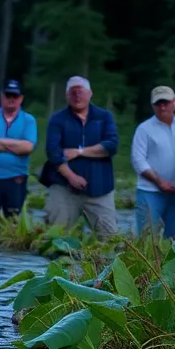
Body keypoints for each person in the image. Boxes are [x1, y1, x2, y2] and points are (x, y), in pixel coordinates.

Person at [43, 76, 119, 238]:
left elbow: (111, 146)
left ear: (90, 93)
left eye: (81, 92)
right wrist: (71, 177)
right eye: (73, 92)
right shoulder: (57, 119)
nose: (77, 96)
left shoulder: (104, 117)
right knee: (55, 238)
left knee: (110, 238)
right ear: (67, 95)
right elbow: (53, 152)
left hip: (100, 188)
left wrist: (79, 151)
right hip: (63, 186)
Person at [129, 86, 175, 238]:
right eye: (158, 103)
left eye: (165, 102)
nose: (162, 106)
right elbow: (138, 160)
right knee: (146, 237)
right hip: (150, 190)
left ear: (174, 102)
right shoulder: (144, 129)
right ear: (153, 106)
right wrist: (159, 181)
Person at [0, 80, 37, 217]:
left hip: (16, 177)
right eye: (8, 95)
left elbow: (27, 147)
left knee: (13, 220)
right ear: (2, 96)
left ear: (21, 98)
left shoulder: (29, 120)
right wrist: (16, 144)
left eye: (15, 96)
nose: (11, 99)